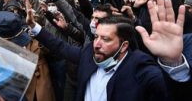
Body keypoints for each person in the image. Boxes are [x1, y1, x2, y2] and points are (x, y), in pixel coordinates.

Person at [27, 7, 169, 101]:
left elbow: (169, 91)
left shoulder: (140, 67)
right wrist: (34, 27)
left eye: (106, 39)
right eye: (96, 37)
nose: (97, 44)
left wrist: (172, 61)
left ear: (124, 45)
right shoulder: (89, 53)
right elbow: (61, 47)